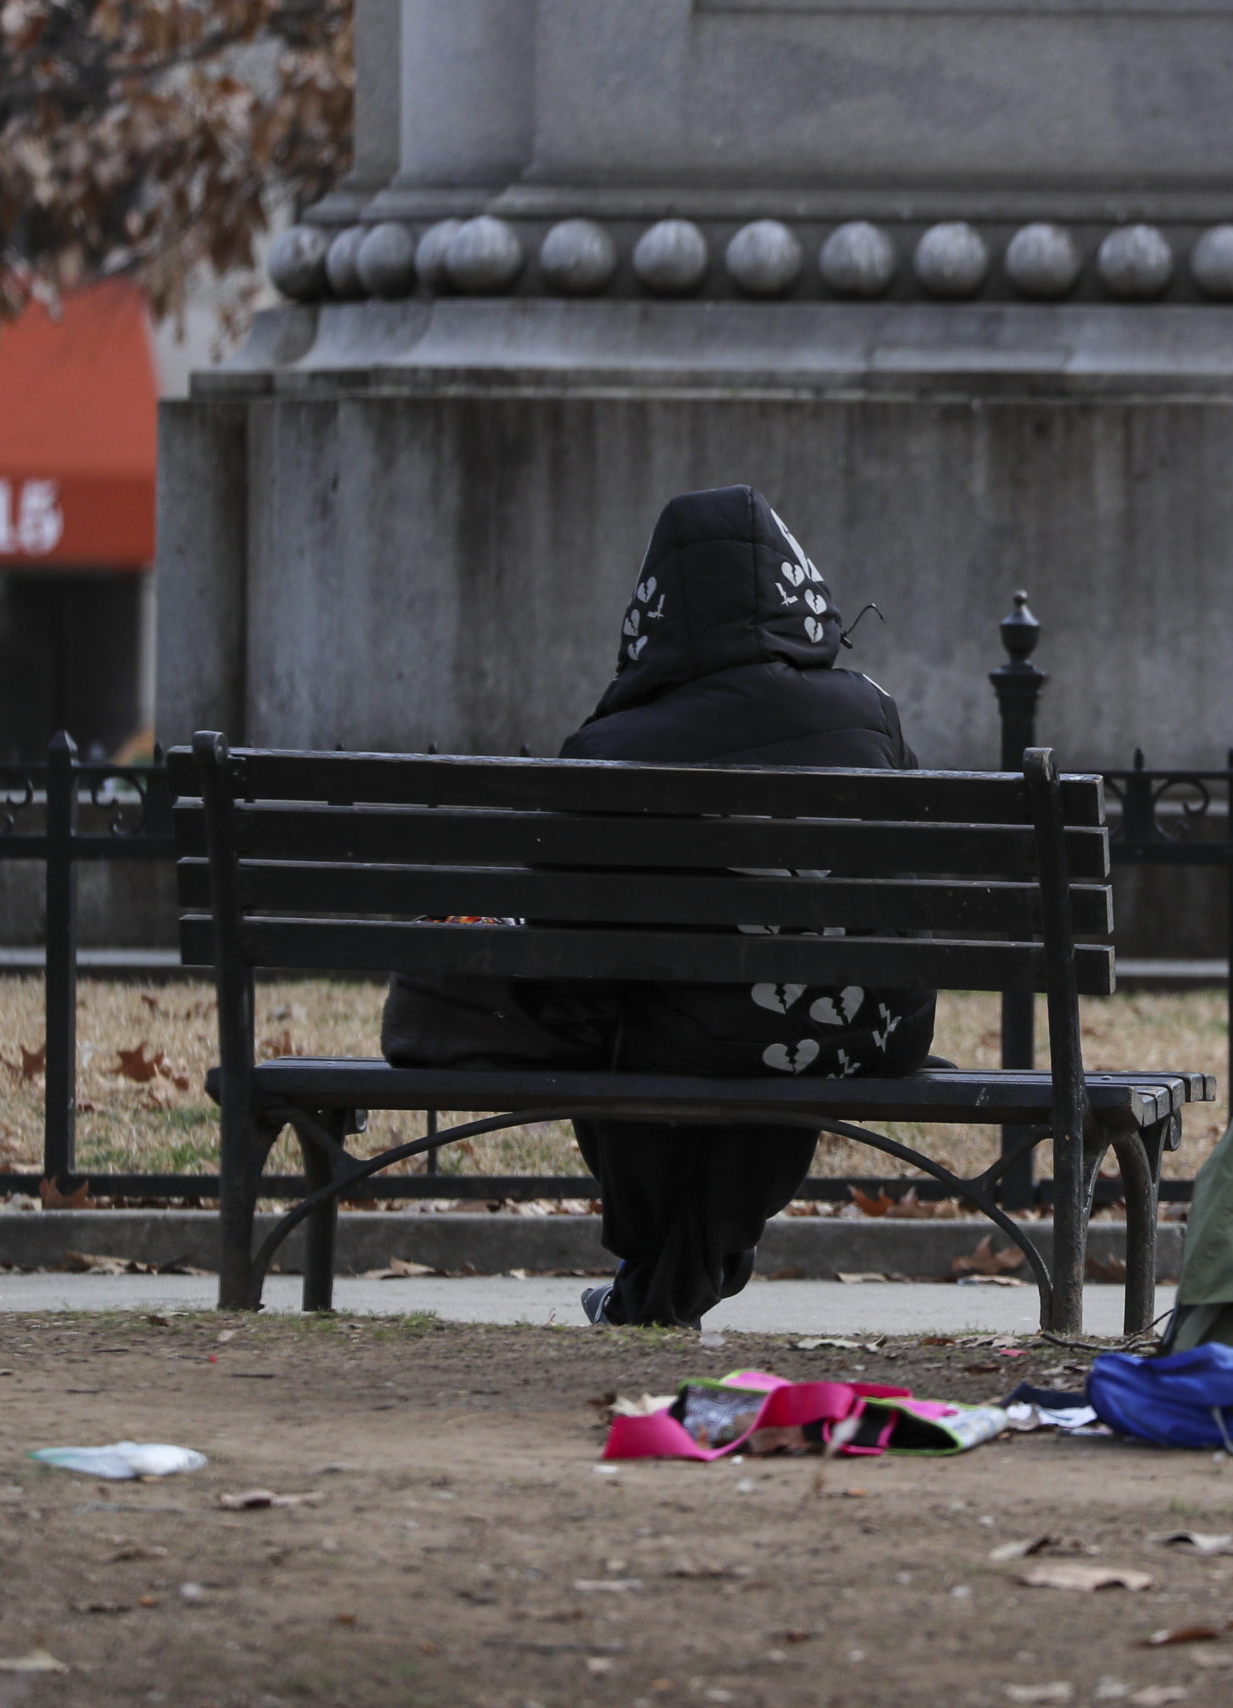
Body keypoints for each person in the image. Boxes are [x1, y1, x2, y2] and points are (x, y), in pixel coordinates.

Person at [381, 485, 936, 1327]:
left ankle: (659, 1277)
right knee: (755, 1019)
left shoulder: (613, 749)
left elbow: (570, 955)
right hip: (872, 1030)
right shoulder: (872, 714)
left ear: (660, 611)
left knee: (634, 1028)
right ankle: (674, 1279)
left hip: (706, 1034)